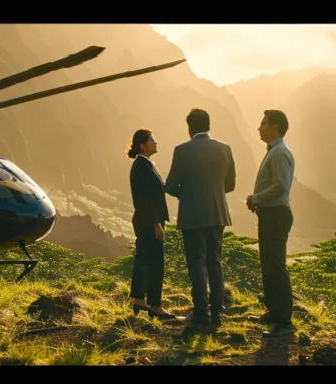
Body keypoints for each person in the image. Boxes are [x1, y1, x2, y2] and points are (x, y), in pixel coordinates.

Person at [163, 108, 236, 325]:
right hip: (217, 212)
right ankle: (218, 309)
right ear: (208, 125)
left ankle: (201, 311)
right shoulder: (225, 149)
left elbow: (169, 185)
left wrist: (187, 195)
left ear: (190, 128)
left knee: (196, 262)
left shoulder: (182, 150)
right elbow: (229, 185)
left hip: (192, 215)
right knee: (215, 261)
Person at [246, 109, 296, 338]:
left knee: (275, 265)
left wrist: (256, 198)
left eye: (263, 123)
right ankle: (274, 312)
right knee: (269, 264)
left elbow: (280, 187)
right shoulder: (275, 151)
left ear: (275, 127)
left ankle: (284, 322)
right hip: (271, 214)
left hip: (275, 215)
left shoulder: (278, 153)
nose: (259, 127)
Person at [127, 128, 179, 321]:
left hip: (145, 220)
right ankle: (156, 306)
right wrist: (157, 224)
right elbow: (144, 200)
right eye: (152, 140)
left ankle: (139, 299)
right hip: (149, 221)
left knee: (143, 259)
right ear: (143, 144)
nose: (156, 143)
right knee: (156, 262)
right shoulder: (142, 166)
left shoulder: (145, 164)